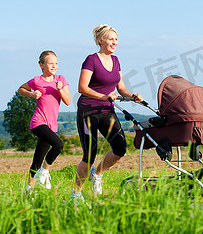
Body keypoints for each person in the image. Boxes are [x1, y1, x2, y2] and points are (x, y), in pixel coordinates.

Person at [71, 24, 143, 203]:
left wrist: (132, 96)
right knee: (90, 154)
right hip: (88, 110)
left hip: (106, 110)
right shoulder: (91, 60)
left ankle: (97, 173)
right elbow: (82, 87)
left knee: (120, 148)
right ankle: (76, 194)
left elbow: (121, 87)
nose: (114, 42)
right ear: (100, 40)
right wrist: (103, 96)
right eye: (111, 39)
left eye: (116, 39)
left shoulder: (116, 60)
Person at [18, 50, 71, 192]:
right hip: (38, 122)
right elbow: (20, 89)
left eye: (56, 63)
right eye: (50, 63)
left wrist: (60, 89)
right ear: (41, 65)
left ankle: (29, 189)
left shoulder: (61, 79)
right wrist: (31, 94)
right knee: (58, 144)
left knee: (38, 158)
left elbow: (67, 101)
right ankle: (45, 172)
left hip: (51, 125)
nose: (54, 66)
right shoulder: (36, 81)